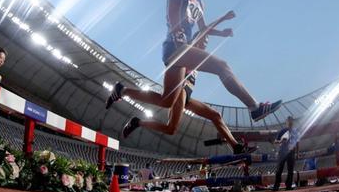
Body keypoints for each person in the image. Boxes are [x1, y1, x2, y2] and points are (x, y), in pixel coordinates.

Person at [100, 0, 282, 137]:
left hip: (182, 51)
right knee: (222, 66)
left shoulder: (200, 4)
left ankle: (121, 91)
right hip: (174, 46)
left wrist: (222, 33)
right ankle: (255, 108)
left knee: (167, 100)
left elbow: (203, 29)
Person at [105, 32, 249, 153]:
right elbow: (205, 29)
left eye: (206, 42)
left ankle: (235, 147)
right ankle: (123, 91)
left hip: (188, 95)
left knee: (206, 118)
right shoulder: (186, 52)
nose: (205, 44)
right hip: (180, 90)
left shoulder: (198, 60)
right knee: (167, 107)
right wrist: (221, 30)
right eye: (203, 40)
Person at [273, 116, 299, 191]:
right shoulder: (282, 131)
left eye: (291, 121)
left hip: (291, 152)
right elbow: (275, 141)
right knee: (279, 170)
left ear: (293, 122)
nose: (290, 122)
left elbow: (297, 143)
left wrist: (297, 153)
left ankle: (288, 186)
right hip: (282, 152)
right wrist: (281, 141)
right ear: (286, 122)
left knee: (290, 170)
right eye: (288, 121)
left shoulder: (295, 132)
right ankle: (276, 186)